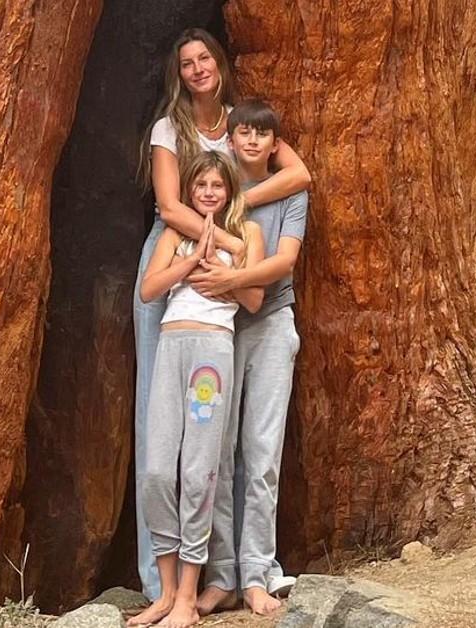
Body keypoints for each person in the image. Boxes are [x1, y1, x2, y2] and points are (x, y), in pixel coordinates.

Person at [132, 27, 311, 603]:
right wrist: (219, 236)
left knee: (218, 440)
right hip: (180, 256)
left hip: (228, 280)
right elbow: (168, 206)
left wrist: (234, 221)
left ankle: (229, 576)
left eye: (205, 58)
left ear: (219, 63)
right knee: (159, 429)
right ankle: (162, 578)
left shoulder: (242, 124)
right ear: (177, 73)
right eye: (186, 63)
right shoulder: (170, 127)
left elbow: (298, 174)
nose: (198, 69)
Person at [127, 151, 264, 628]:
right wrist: (190, 264)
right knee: (159, 471)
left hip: (211, 353)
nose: (209, 192)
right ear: (189, 191)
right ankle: (164, 594)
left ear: (229, 190)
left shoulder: (247, 235)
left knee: (199, 470)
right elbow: (149, 289)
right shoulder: (174, 233)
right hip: (172, 344)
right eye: (201, 184)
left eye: (217, 185)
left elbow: (252, 296)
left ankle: (188, 595)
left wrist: (222, 272)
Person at [187, 101, 308, 616]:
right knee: (213, 453)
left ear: (274, 143)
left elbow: (284, 261)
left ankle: (257, 573)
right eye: (244, 133)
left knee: (261, 453)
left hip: (271, 325)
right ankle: (221, 576)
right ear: (229, 140)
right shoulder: (214, 187)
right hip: (216, 329)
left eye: (263, 134)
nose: (253, 142)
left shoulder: (291, 195)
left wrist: (232, 280)